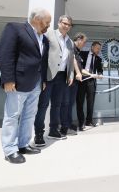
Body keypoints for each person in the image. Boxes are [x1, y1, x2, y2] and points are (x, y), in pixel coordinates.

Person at [0, 8, 51, 164]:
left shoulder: (44, 39)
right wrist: (8, 79)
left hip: (36, 83)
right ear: (36, 19)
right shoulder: (15, 28)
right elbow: (5, 53)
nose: (48, 25)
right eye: (46, 22)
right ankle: (10, 150)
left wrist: (43, 81)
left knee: (29, 115)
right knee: (12, 116)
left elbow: (43, 61)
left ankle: (23, 144)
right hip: (18, 82)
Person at [34, 15, 75, 146]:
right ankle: (39, 134)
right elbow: (42, 55)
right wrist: (42, 77)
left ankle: (53, 130)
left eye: (69, 25)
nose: (67, 26)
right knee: (43, 105)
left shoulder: (70, 42)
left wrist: (71, 74)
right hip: (49, 76)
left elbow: (70, 60)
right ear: (59, 23)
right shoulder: (49, 35)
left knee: (57, 105)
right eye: (65, 23)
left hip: (63, 77)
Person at [60, 32, 87, 134]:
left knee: (70, 104)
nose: (84, 44)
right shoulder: (72, 47)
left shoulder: (78, 52)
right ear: (79, 39)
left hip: (75, 82)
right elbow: (73, 61)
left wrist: (91, 74)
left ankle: (68, 124)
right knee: (66, 103)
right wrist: (79, 73)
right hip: (69, 80)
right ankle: (65, 126)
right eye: (84, 42)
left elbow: (80, 68)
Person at [77, 41, 103, 131]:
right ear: (92, 47)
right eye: (97, 48)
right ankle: (81, 123)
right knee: (80, 102)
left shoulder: (98, 59)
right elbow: (79, 66)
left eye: (99, 49)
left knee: (90, 102)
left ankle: (89, 121)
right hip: (82, 80)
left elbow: (100, 70)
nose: (98, 50)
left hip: (91, 81)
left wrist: (100, 75)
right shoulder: (83, 54)